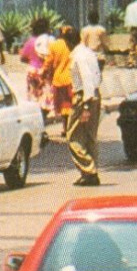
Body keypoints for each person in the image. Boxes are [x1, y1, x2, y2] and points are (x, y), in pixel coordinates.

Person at [66, 25, 101, 186]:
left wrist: (86, 106)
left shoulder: (78, 56)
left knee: (73, 136)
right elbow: (96, 76)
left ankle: (89, 170)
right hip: (94, 94)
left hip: (84, 96)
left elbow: (86, 78)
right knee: (89, 136)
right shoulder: (88, 52)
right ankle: (90, 173)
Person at [20, 17, 53, 115]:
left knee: (34, 97)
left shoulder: (30, 41)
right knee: (45, 98)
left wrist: (32, 60)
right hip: (44, 72)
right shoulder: (48, 41)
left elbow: (22, 58)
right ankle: (43, 116)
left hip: (32, 71)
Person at [43, 25, 74, 121]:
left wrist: (44, 72)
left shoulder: (54, 45)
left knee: (62, 105)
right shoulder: (73, 45)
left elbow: (48, 62)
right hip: (72, 79)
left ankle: (65, 127)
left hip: (58, 79)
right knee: (70, 104)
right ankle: (68, 126)